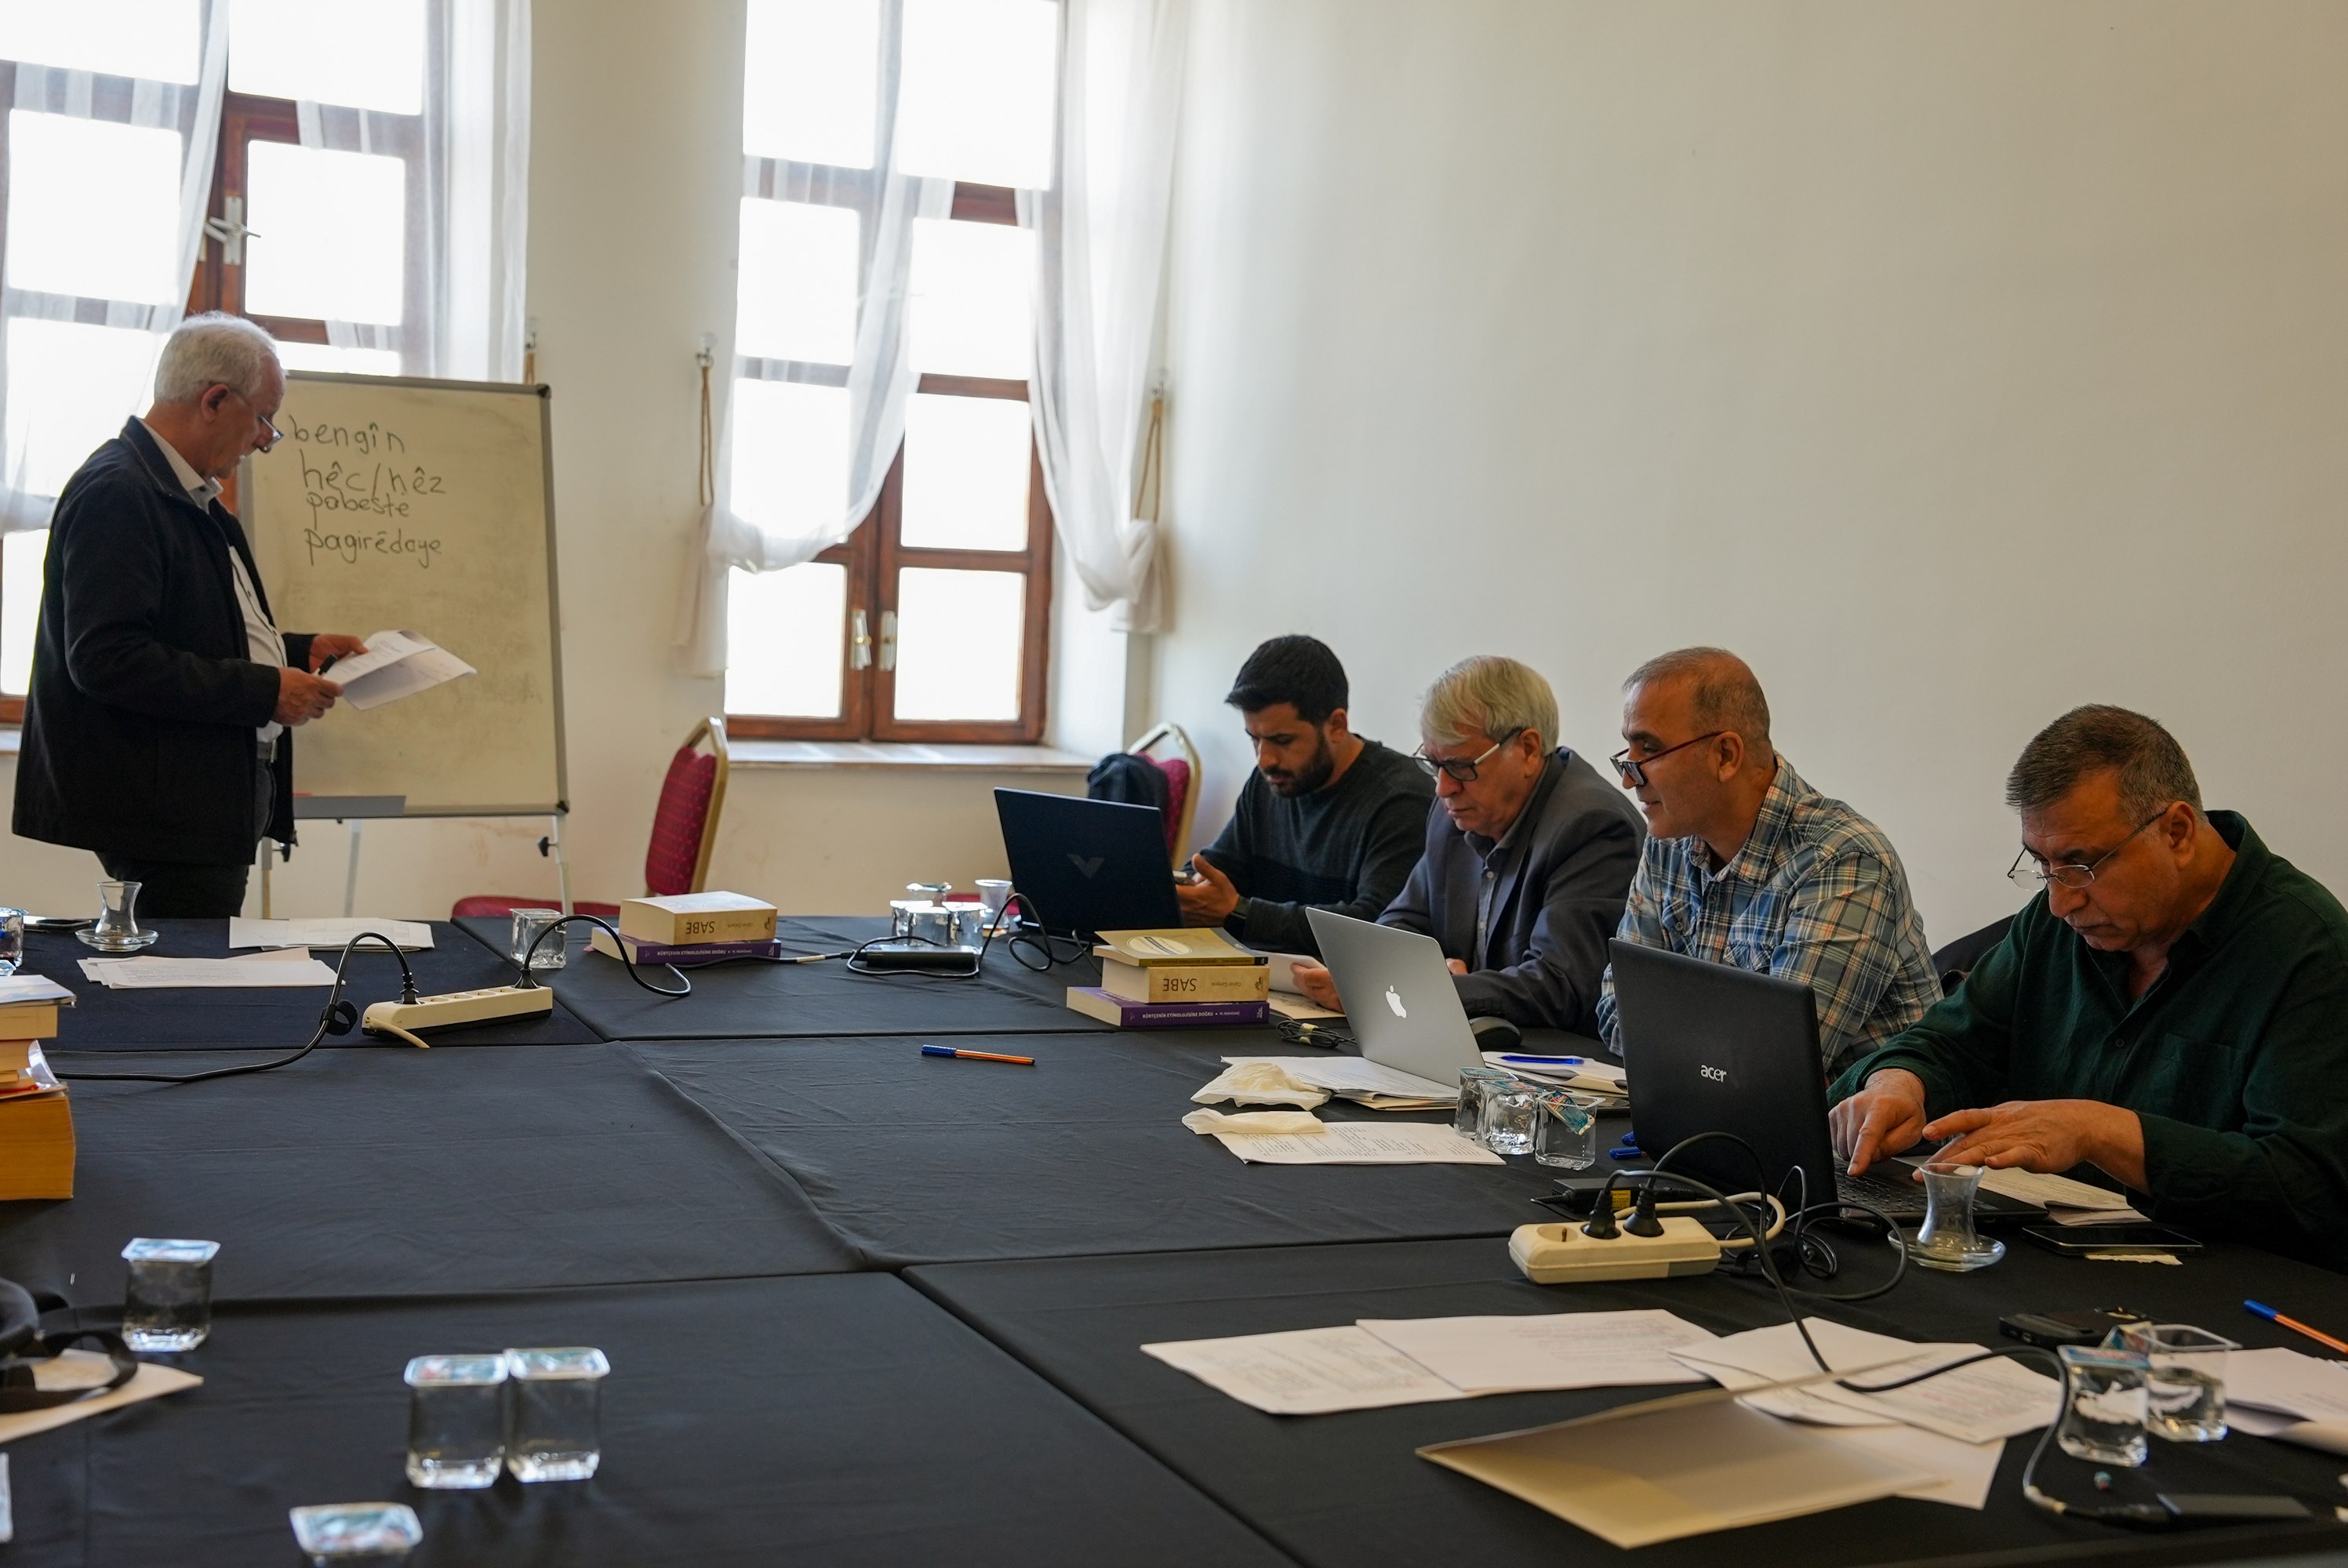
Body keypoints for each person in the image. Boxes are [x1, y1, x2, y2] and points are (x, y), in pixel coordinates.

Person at [1831, 706, 2348, 1272]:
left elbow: (2309, 1189)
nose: (2060, 901)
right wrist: (1899, 1083)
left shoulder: (2310, 952)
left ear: (2177, 832)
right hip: (2045, 1255)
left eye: (2082, 865)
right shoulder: (2057, 925)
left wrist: (2102, 1131)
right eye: (2043, 865)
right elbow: (1954, 1043)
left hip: (2226, 1285)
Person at [12, 314, 367, 918]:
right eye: (264, 418)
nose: (265, 440)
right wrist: (265, 690)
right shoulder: (121, 492)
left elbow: (191, 629)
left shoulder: (184, 493)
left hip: (194, 805)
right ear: (215, 400)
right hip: (166, 815)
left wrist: (291, 651)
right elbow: (107, 658)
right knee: (184, 975)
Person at [1594, 648, 1936, 1074]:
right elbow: (1615, 1012)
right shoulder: (1669, 841)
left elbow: (1771, 1064)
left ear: (1725, 756)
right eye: (1627, 753)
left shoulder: (1844, 862)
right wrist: (1709, 1047)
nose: (1628, 779)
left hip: (1846, 1119)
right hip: (1712, 1108)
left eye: (1648, 751)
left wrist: (1678, 1034)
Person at [1291, 655, 1642, 1031]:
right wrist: (1425, 967)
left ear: (1527, 749)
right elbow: (1401, 921)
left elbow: (1559, 985)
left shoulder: (1592, 826)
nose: (1443, 788)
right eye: (1434, 764)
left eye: (1460, 766)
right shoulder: (1456, 813)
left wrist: (1433, 988)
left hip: (1553, 1056)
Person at [1176, 635, 1434, 954]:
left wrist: (1240, 913)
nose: (1264, 759)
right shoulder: (1269, 782)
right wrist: (1189, 890)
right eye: (1254, 739)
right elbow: (1218, 869)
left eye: (1282, 741)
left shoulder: (1401, 799)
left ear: (1336, 725)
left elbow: (1376, 926)